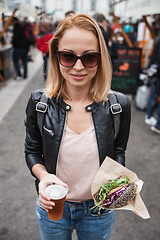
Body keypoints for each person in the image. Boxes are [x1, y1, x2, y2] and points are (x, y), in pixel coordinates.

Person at [24, 14, 131, 240]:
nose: (79, 66)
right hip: (52, 204)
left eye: (89, 57)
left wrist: (117, 181)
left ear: (100, 59)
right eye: (68, 56)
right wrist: (44, 177)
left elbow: (118, 152)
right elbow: (32, 151)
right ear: (56, 56)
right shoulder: (39, 103)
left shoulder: (118, 106)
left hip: (98, 211)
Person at [145, 32, 160, 134]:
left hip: (155, 71)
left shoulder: (158, 38)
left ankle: (149, 115)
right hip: (157, 72)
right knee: (153, 94)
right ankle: (155, 121)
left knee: (153, 94)